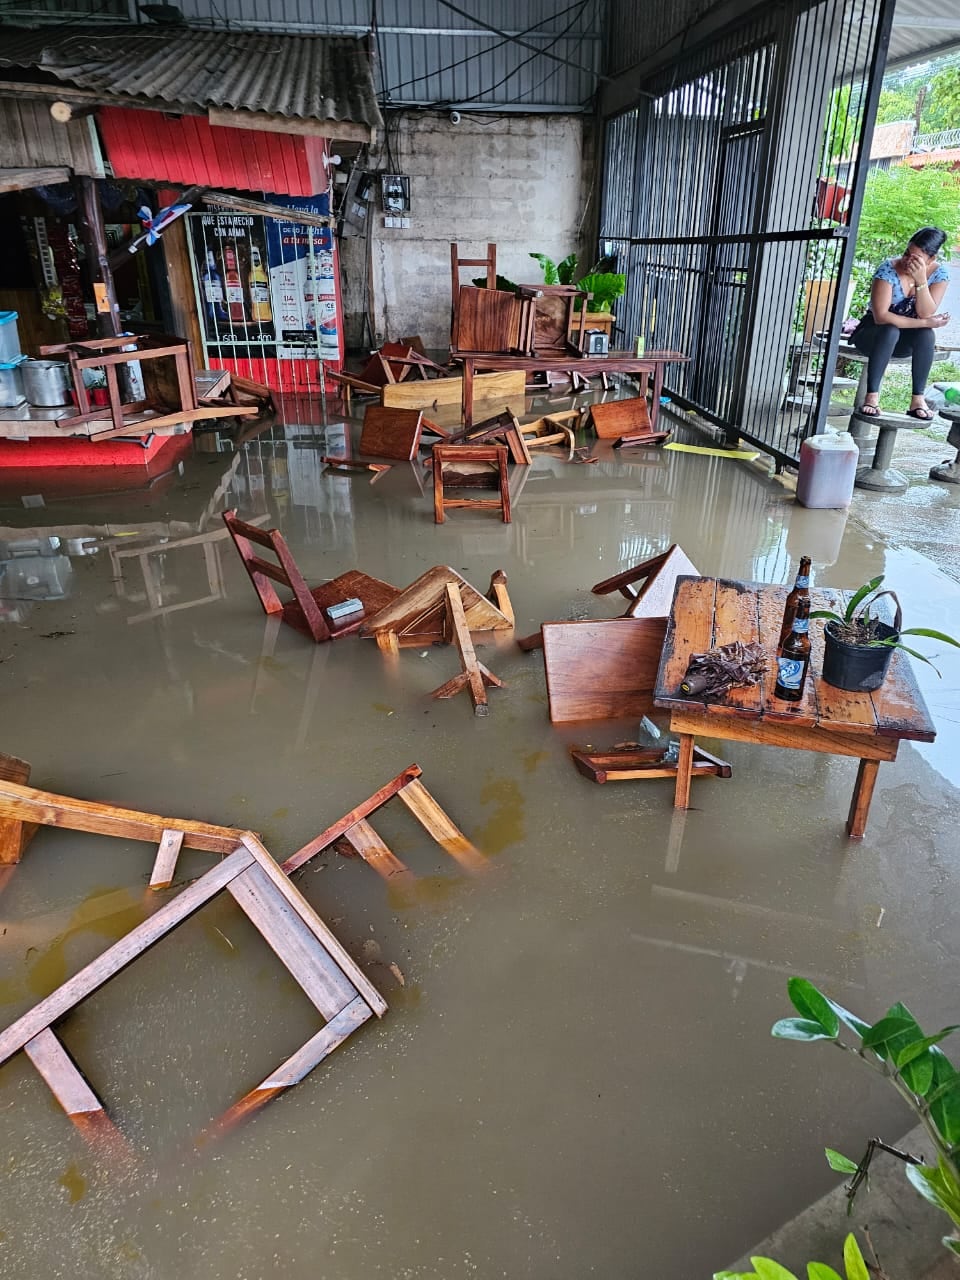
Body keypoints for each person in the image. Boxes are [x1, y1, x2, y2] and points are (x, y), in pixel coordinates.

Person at [851, 226, 951, 420]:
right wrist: (925, 323)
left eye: (916, 259)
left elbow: (925, 312)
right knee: (890, 330)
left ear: (931, 260)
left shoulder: (940, 275)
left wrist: (921, 280)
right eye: (907, 253)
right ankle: (872, 396)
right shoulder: (888, 269)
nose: (907, 261)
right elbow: (881, 316)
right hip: (873, 334)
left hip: (904, 341)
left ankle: (917, 400)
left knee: (926, 335)